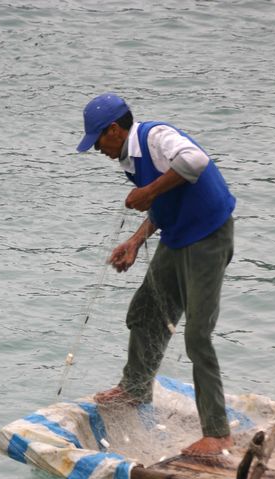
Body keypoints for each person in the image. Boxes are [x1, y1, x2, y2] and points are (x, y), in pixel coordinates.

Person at [76, 92, 236, 456]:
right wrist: (135, 241)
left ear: (114, 129)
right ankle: (135, 388)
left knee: (198, 334)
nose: (97, 148)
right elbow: (163, 205)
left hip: (209, 238)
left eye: (98, 139)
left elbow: (195, 160)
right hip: (177, 238)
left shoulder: (154, 137)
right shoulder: (128, 160)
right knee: (146, 310)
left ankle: (218, 432)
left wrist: (147, 190)